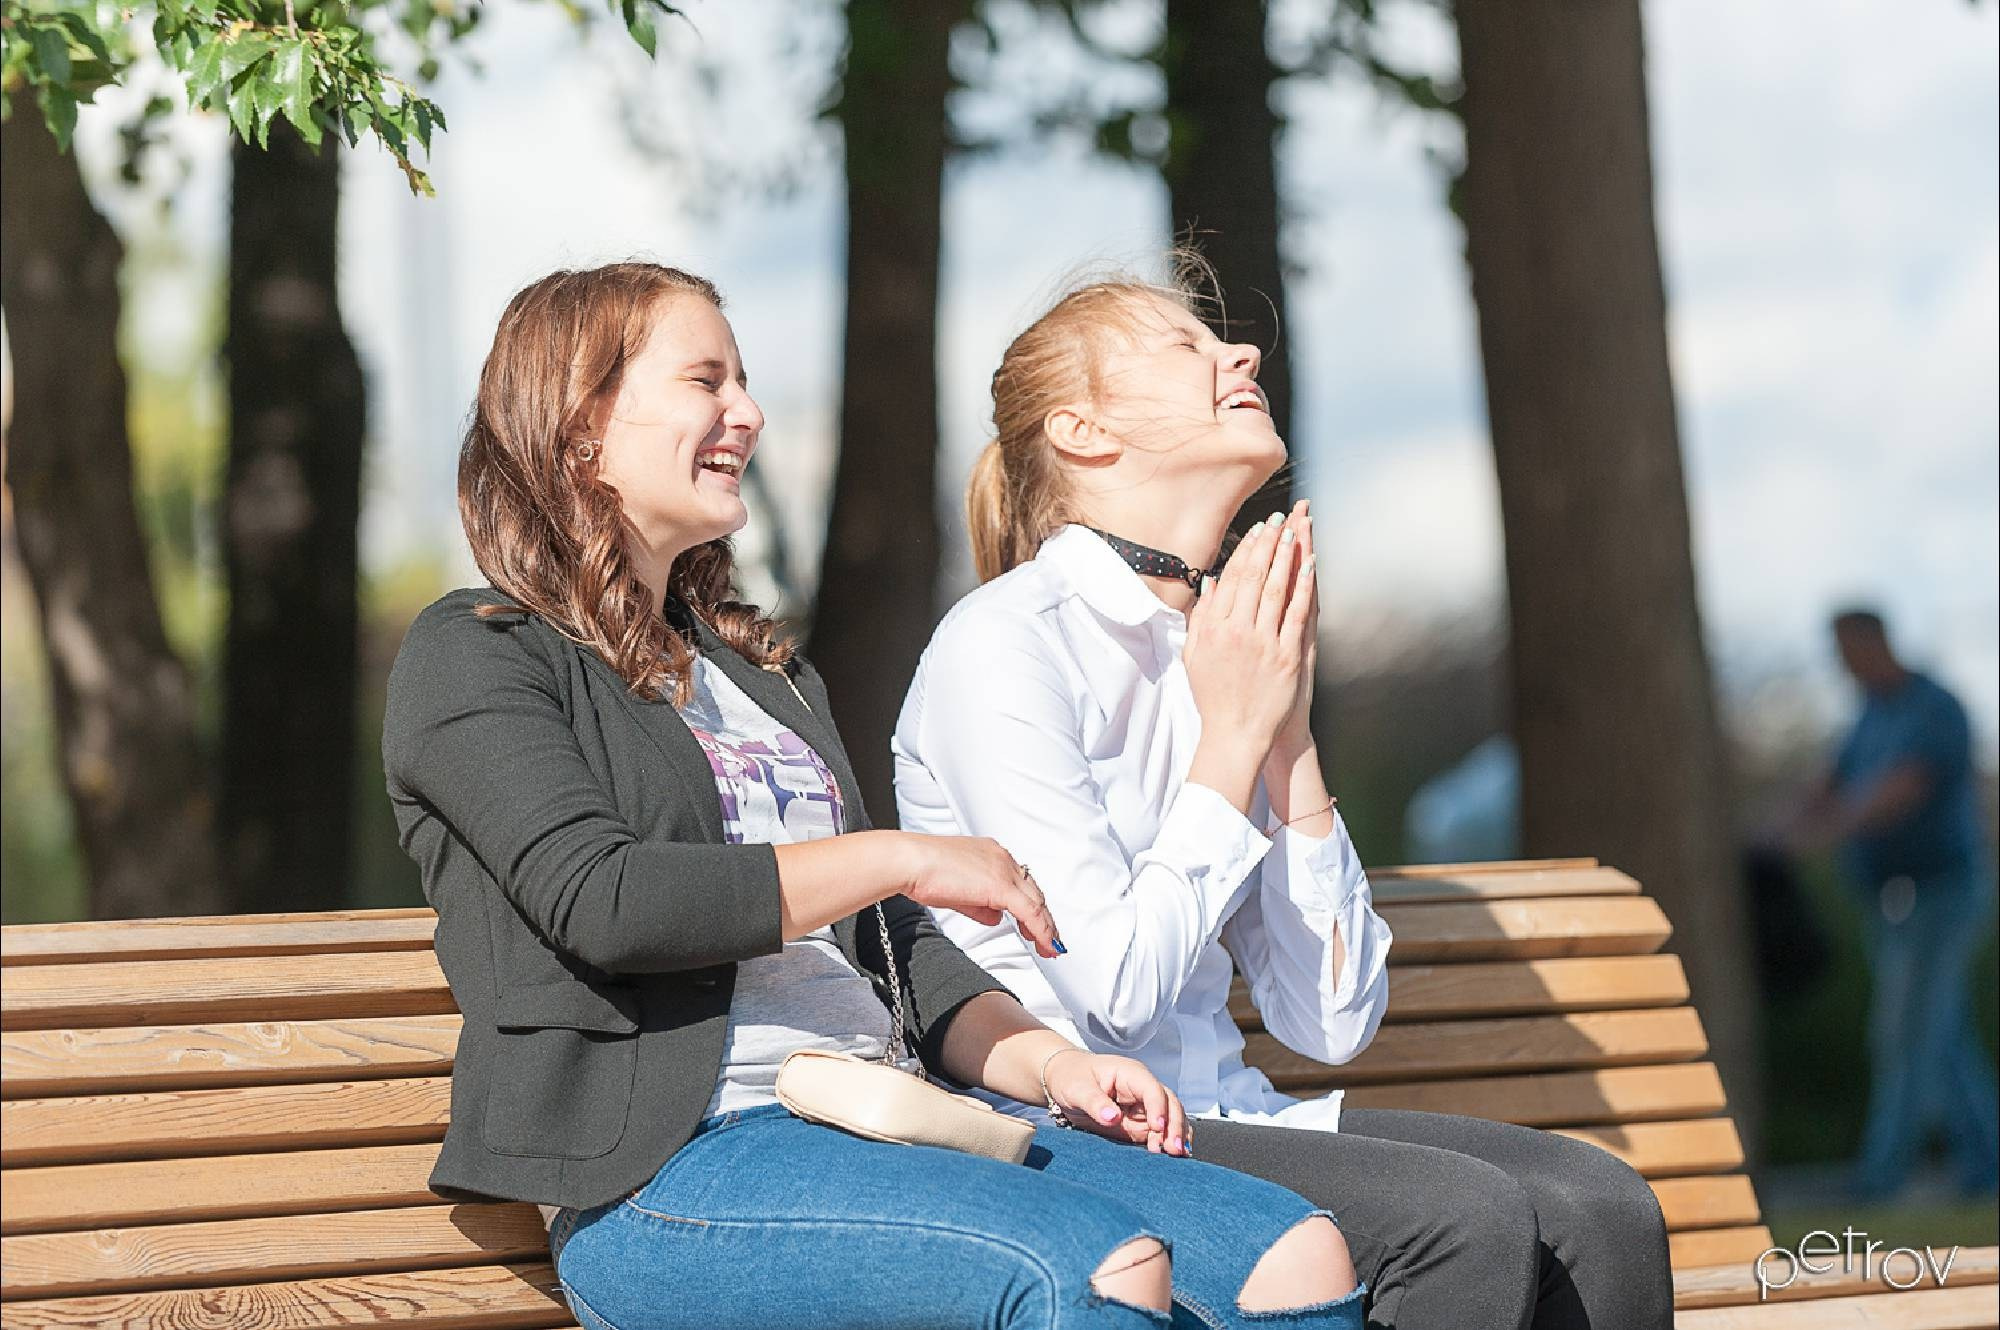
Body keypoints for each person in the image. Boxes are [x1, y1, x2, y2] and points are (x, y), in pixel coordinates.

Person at [381, 262, 1370, 1330]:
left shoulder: (761, 675)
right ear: (577, 426)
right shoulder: (479, 654)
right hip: (677, 1169)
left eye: (745, 381)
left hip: (893, 1123)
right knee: (1092, 1268)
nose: (746, 413)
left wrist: (1049, 1065)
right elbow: (605, 899)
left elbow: (889, 944)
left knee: (1296, 1254)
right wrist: (897, 854)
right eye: (704, 381)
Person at [894, 264, 1674, 1330]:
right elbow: (1108, 993)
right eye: (1184, 348)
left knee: (1601, 1206)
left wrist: (1287, 741)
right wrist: (1233, 738)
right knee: (1462, 1219)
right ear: (1081, 433)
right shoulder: (1003, 644)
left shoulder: (1217, 650)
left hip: (1229, 1116)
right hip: (1063, 1136)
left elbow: (1332, 1019)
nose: (1241, 354)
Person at [1782, 608, 1998, 1200]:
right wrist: (1778, 828)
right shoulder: (1868, 715)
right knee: (1942, 1037)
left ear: (1874, 641)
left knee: (1904, 1033)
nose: (1843, 667)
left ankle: (1880, 1179)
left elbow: (1899, 790)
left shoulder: (1934, 707)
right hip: (1890, 901)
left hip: (1944, 894)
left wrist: (1826, 831)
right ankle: (1987, 1166)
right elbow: (1829, 780)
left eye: (1847, 653)